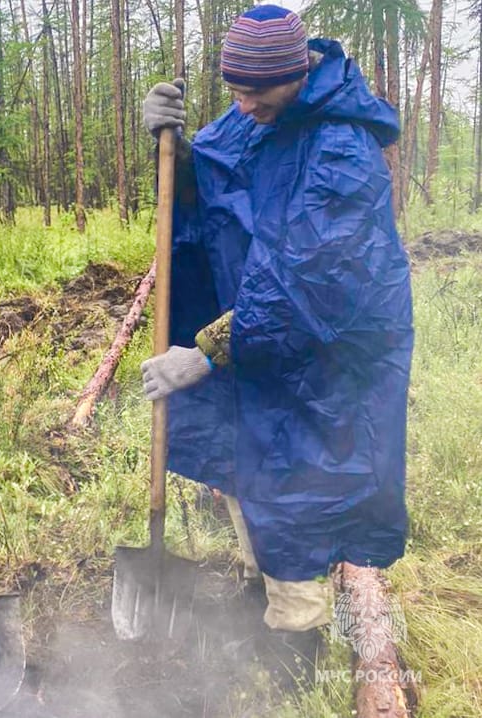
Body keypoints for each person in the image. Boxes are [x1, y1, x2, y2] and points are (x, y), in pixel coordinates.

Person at [140, 5, 413, 682]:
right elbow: (213, 182)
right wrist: (168, 143)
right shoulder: (261, 113)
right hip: (259, 339)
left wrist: (204, 351)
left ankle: (294, 644)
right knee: (248, 465)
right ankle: (261, 589)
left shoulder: (340, 151)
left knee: (298, 486)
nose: (242, 104)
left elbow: (306, 281)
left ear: (294, 74)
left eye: (253, 92)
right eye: (231, 91)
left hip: (326, 358)